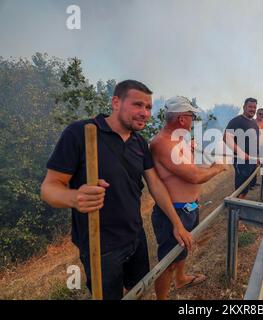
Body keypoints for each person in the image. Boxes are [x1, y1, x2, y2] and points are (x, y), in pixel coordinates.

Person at [40, 80, 193, 300]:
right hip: (100, 245)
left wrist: (177, 224)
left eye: (148, 107)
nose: (144, 113)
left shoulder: (139, 143)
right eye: (137, 105)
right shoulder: (80, 133)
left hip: (135, 235)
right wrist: (73, 197)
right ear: (115, 102)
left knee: (139, 290)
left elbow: (155, 185)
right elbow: (49, 188)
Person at [150, 96, 227, 300]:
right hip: (173, 212)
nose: (193, 121)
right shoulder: (162, 144)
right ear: (182, 119)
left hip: (189, 207)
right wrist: (216, 169)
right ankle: (162, 298)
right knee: (168, 261)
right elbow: (193, 176)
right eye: (191, 116)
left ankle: (181, 278)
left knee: (183, 250)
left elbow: (191, 168)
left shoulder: (180, 140)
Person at [224, 97, 260, 199]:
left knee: (247, 187)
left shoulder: (254, 123)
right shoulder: (236, 121)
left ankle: (240, 205)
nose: (252, 109)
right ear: (244, 107)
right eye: (250, 106)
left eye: (254, 107)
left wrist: (257, 157)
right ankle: (236, 211)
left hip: (252, 161)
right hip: (241, 161)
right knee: (241, 187)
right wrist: (240, 153)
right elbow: (226, 138)